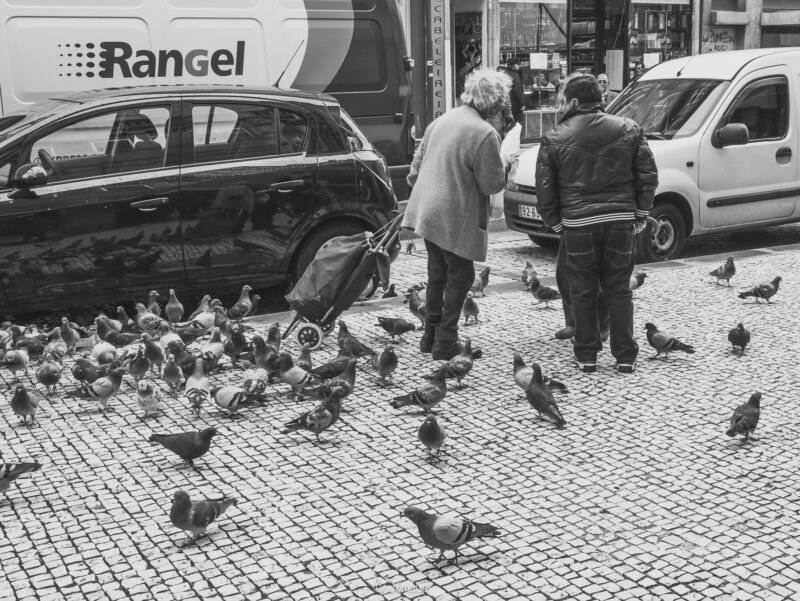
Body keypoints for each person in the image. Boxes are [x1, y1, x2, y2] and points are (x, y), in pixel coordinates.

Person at [535, 74, 658, 374]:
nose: (561, 106)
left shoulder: (554, 137)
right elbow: (648, 176)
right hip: (619, 221)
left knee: (582, 291)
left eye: (563, 101)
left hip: (578, 224)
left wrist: (556, 224)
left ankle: (587, 355)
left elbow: (545, 189)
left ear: (575, 101)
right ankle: (625, 356)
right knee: (619, 290)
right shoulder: (629, 128)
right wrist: (640, 214)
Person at [403, 68, 512, 360]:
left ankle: (430, 334)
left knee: (437, 272)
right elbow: (491, 184)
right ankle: (446, 340)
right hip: (453, 215)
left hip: (427, 212)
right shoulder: (484, 133)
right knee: (462, 275)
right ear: (495, 104)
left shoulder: (441, 121)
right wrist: (506, 166)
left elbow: (413, 174)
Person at [499, 58, 525, 124]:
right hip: (515, 106)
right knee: (517, 125)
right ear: (514, 66)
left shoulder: (504, 74)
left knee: (509, 125)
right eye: (517, 64)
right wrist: (522, 104)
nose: (518, 66)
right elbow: (517, 91)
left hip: (506, 106)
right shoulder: (515, 75)